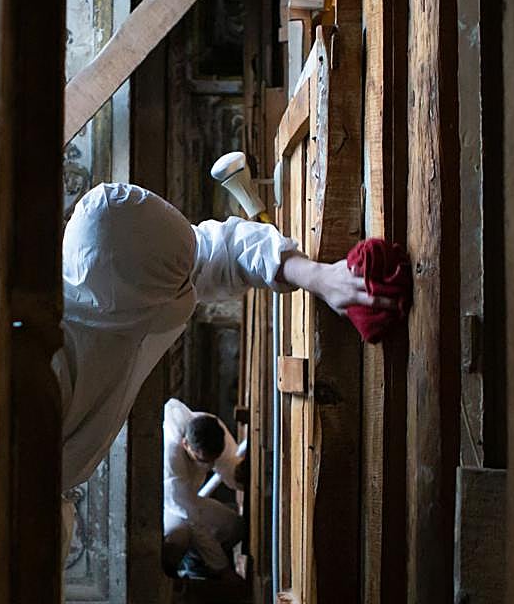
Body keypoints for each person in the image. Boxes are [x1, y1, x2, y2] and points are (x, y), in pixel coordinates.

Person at [52, 181, 394, 492]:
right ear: (144, 301)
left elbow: (220, 251)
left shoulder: (122, 267)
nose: (190, 286)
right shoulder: (53, 373)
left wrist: (317, 276)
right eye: (180, 285)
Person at [162, 398, 243, 579]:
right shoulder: (171, 460)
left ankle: (200, 561)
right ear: (185, 444)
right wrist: (222, 568)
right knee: (179, 534)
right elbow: (193, 519)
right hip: (166, 505)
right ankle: (182, 573)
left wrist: (239, 475)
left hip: (189, 499)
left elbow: (229, 464)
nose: (210, 466)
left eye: (213, 460)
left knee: (235, 526)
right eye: (203, 460)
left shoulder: (212, 429)